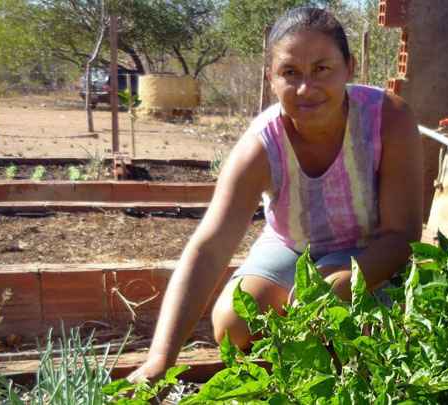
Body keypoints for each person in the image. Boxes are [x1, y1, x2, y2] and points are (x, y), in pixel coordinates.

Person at [129, 6, 422, 383]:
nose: (306, 88)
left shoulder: (388, 119)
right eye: (290, 73)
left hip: (369, 247)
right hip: (291, 244)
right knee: (235, 323)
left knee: (353, 327)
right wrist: (159, 360)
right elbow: (209, 247)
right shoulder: (261, 146)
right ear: (271, 79)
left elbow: (402, 235)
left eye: (322, 69)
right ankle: (286, 379)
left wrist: (342, 282)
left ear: (349, 68)